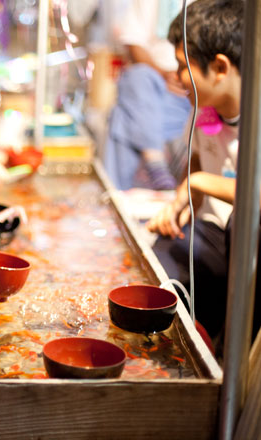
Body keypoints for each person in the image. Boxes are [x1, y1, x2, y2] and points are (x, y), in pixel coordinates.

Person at [146, 0, 243, 343]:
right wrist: (183, 203)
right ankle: (175, 334)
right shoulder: (203, 111)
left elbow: (252, 196)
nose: (176, 77)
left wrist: (197, 182)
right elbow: (197, 166)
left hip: (245, 247)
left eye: (181, 65)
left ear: (219, 67)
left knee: (238, 225)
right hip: (214, 239)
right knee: (171, 245)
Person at [102, 0, 193, 191]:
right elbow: (133, 42)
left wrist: (185, 76)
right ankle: (154, 164)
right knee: (137, 77)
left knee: (122, 118)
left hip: (187, 88)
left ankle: (123, 192)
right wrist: (162, 74)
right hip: (153, 81)